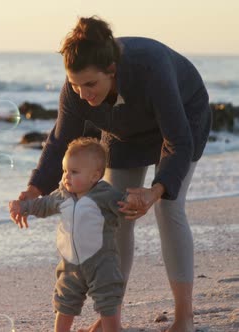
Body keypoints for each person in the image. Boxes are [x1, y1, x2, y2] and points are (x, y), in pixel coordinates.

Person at [18, 16, 212, 332]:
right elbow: (59, 143)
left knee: (168, 207)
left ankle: (184, 317)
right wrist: (33, 189)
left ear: (112, 70)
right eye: (75, 84)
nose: (83, 94)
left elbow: (177, 141)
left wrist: (155, 190)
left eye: (90, 84)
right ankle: (112, 320)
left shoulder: (150, 68)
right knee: (114, 212)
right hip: (124, 132)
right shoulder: (75, 93)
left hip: (184, 117)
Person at [10, 137, 133, 332]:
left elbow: (126, 204)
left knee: (108, 301)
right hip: (70, 264)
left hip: (102, 263)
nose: (66, 176)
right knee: (64, 302)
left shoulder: (106, 195)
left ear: (95, 176)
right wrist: (23, 207)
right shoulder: (62, 195)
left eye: (74, 172)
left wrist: (134, 201)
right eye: (65, 170)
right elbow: (42, 205)